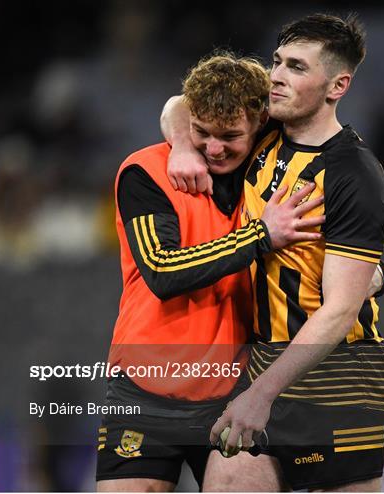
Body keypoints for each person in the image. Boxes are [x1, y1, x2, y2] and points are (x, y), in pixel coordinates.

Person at [162, 13, 384, 492]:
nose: (276, 76)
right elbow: (177, 105)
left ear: (337, 86)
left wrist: (259, 394)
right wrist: (182, 148)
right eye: (276, 61)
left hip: (340, 376)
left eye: (296, 67)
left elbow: (338, 311)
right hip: (262, 359)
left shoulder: (354, 174)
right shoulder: (265, 133)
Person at [96, 53, 327, 492]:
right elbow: (163, 272)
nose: (215, 148)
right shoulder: (146, 172)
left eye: (230, 136)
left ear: (259, 125)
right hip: (142, 391)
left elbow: (338, 237)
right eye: (201, 132)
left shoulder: (272, 174)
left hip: (235, 394)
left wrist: (373, 271)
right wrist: (260, 235)